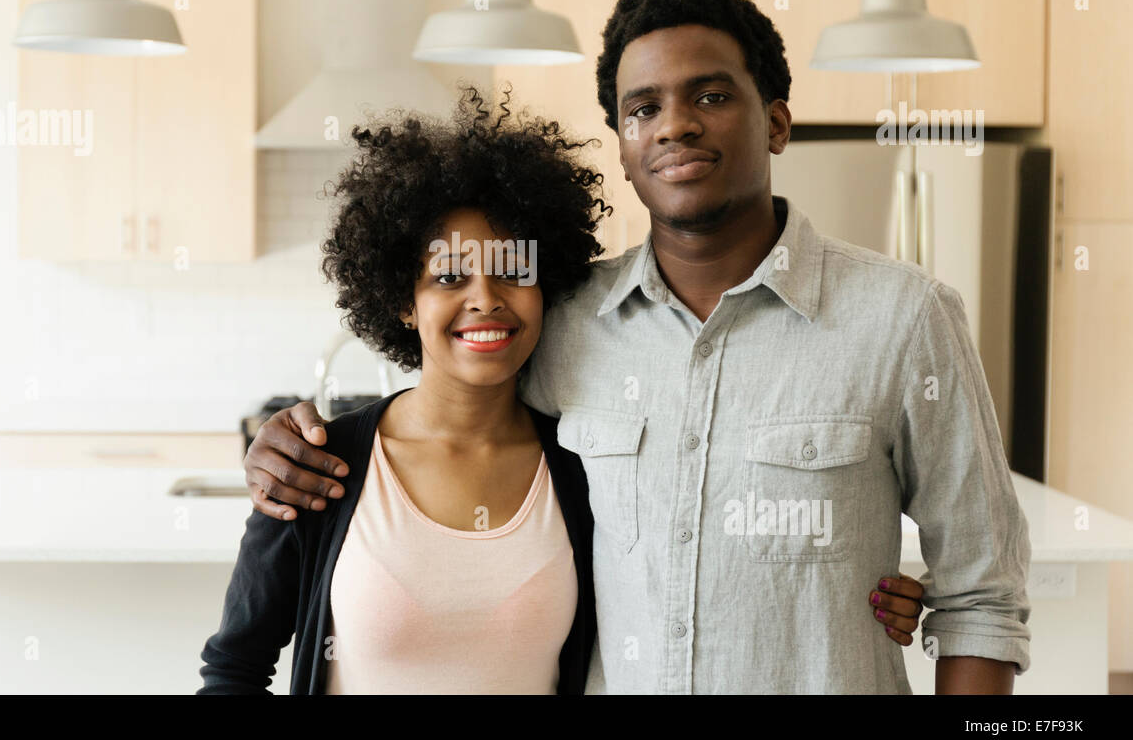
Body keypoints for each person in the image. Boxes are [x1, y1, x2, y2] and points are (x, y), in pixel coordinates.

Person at [242, 0, 1028, 694]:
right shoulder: (568, 321)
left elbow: (982, 599)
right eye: (643, 108)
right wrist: (289, 445)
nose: (674, 125)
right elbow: (458, 412)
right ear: (621, 147)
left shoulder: (905, 319)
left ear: (779, 122)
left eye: (712, 96)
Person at [198, 87, 920, 694]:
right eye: (450, 277)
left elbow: (696, 567)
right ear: (401, 300)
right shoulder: (324, 468)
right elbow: (234, 667)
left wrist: (864, 592)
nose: (485, 299)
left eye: (511, 271)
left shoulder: (584, 460)